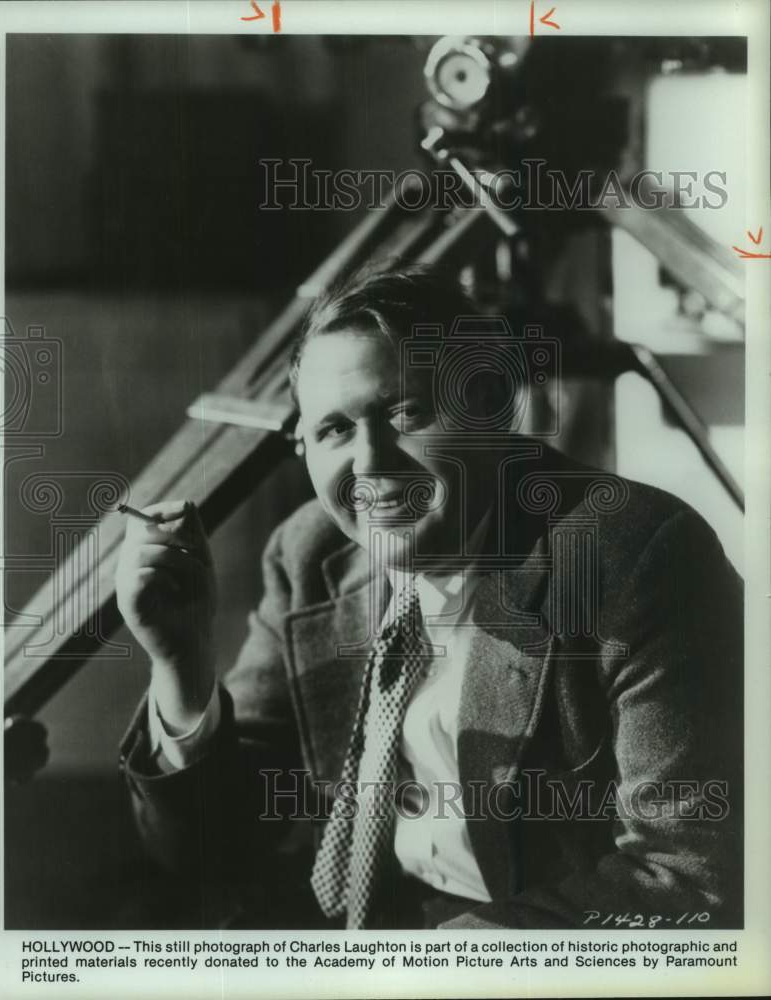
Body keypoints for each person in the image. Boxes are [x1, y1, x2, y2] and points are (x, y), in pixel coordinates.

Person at [116, 266, 743, 930]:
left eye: (404, 412)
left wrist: (445, 963)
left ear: (493, 407)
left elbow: (688, 878)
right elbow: (210, 850)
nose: (369, 463)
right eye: (331, 430)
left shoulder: (634, 555)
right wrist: (181, 665)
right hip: (379, 932)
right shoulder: (309, 554)